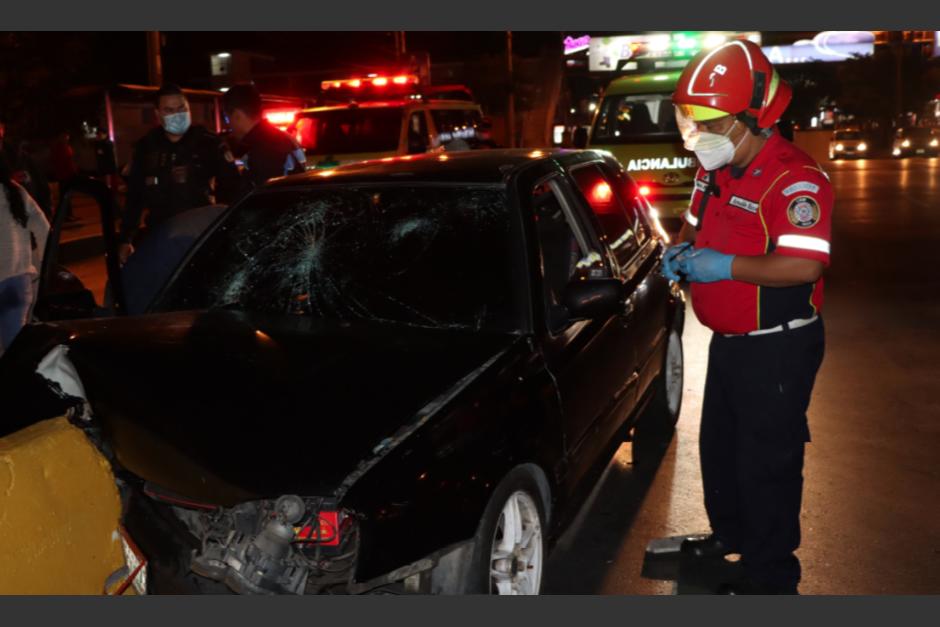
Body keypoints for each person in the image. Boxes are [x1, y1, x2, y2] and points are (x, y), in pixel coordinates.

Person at [661, 40, 832, 595]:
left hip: (776, 348)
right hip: (731, 343)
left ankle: (771, 577)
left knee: (767, 462)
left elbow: (803, 266)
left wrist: (725, 265)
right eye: (691, 120)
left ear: (753, 117)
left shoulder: (794, 178)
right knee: (722, 449)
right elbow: (691, 224)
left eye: (708, 121)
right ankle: (728, 537)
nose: (694, 134)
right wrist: (681, 252)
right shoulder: (714, 169)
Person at [118, 84, 240, 264]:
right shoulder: (146, 147)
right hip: (160, 236)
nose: (177, 114)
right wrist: (125, 239)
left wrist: (226, 229)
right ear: (158, 114)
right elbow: (135, 196)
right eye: (169, 110)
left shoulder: (208, 143)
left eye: (181, 108)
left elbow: (232, 188)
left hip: (200, 236)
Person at [0, 152, 50, 357]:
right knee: (17, 351)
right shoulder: (16, 192)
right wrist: (39, 266)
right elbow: (44, 229)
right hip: (19, 283)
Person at [222, 83, 306, 195]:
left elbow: (265, 199)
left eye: (227, 119)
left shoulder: (263, 149)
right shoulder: (282, 137)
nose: (229, 125)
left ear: (237, 115)